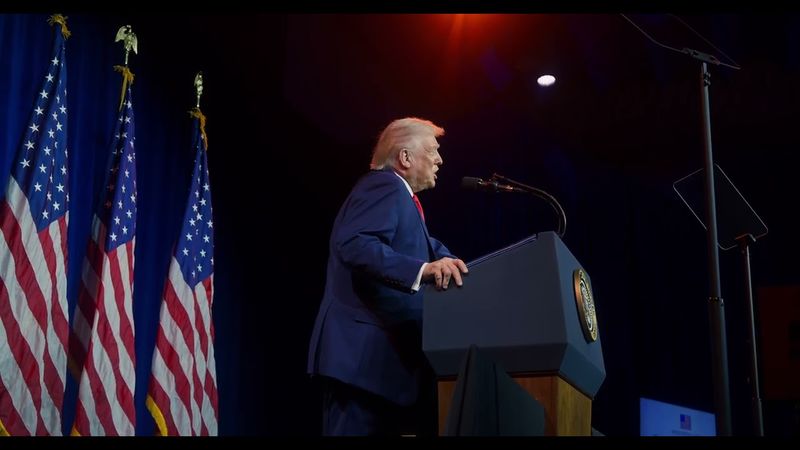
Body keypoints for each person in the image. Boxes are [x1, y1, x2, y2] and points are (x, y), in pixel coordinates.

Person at [307, 117, 469, 436]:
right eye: (433, 150)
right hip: (361, 366)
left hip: (385, 374)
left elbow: (424, 246)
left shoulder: (405, 202)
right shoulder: (384, 185)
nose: (440, 159)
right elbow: (355, 243)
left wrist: (446, 259)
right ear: (405, 157)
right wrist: (424, 270)